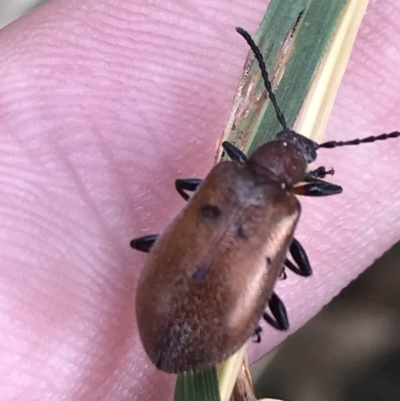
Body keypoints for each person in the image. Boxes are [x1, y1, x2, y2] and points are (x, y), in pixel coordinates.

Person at [0, 0, 399, 400]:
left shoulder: (232, 177)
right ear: (304, 180)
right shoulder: (283, 208)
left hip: (187, 312)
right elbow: (300, 266)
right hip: (204, 322)